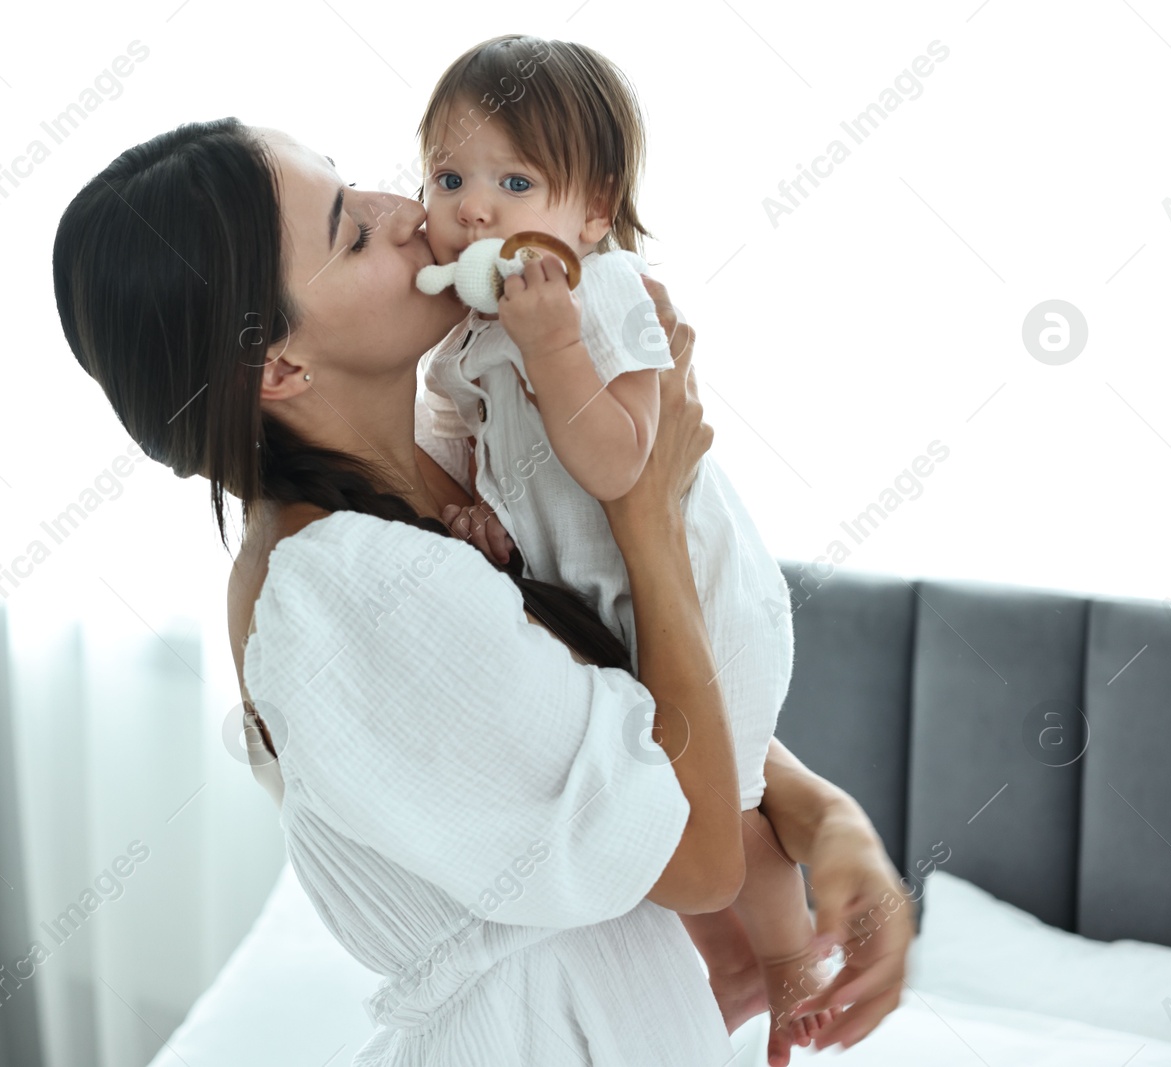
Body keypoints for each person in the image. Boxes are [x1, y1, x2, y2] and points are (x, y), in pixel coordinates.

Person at [51, 116, 913, 1066]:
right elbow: (701, 857)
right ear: (280, 366)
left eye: (358, 183)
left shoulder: (448, 460)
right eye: (351, 230)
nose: (407, 209)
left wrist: (820, 810)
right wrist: (647, 510)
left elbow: (604, 725)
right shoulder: (345, 590)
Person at [412, 35, 826, 1060]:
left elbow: (619, 462)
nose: (474, 210)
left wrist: (552, 346)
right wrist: (475, 515)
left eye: (515, 181)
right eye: (448, 177)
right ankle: (729, 964)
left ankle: (790, 963)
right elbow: (486, 474)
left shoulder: (606, 295)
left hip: (702, 600)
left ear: (592, 211)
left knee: (718, 812)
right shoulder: (462, 345)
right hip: (609, 613)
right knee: (650, 805)